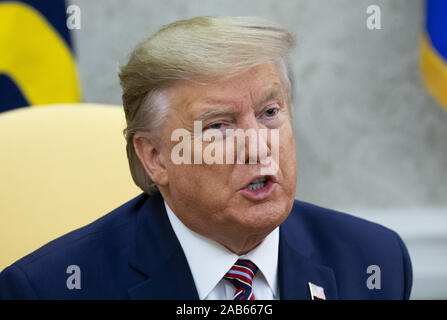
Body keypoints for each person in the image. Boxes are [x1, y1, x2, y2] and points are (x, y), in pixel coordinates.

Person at [0, 16, 412, 300]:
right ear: (156, 157)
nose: (258, 145)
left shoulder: (373, 261)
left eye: (270, 113)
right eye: (219, 126)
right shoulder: (52, 288)